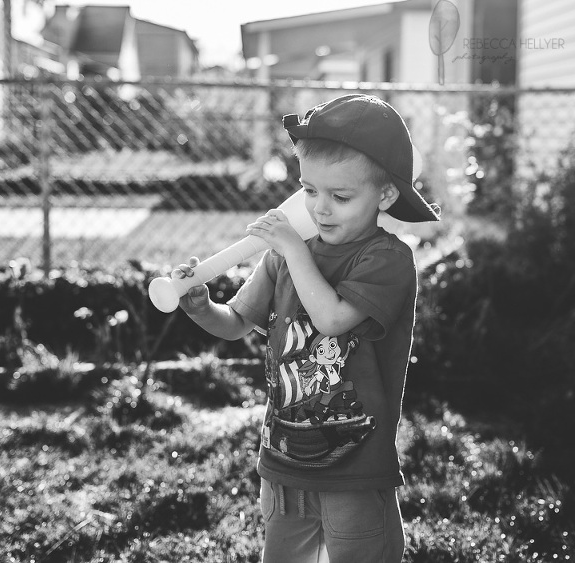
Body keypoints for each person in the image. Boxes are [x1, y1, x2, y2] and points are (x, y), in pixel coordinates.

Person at [170, 94, 440, 563]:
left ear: (386, 196)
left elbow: (332, 319)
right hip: (284, 462)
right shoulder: (285, 254)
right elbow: (236, 324)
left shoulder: (386, 260)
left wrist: (294, 251)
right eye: (309, 191)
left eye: (340, 197)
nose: (320, 210)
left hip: (355, 468)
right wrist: (201, 307)